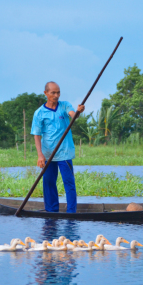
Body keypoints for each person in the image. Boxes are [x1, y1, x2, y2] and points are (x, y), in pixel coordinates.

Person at [31, 81, 85, 213]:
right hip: (48, 154)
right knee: (49, 183)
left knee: (69, 183)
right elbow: (37, 135)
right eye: (53, 93)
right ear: (46, 93)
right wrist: (40, 155)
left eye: (58, 92)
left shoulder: (64, 105)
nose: (56, 95)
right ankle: (51, 211)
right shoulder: (39, 113)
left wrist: (78, 112)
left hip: (64, 153)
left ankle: (71, 212)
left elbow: (73, 115)